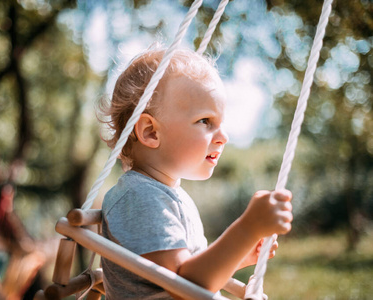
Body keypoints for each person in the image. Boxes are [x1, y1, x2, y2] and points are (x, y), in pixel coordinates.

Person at [98, 46, 293, 299]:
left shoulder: (166, 194)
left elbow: (190, 272)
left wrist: (241, 254)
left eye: (221, 123)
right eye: (205, 121)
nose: (224, 137)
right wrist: (247, 229)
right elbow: (186, 287)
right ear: (150, 132)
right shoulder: (139, 198)